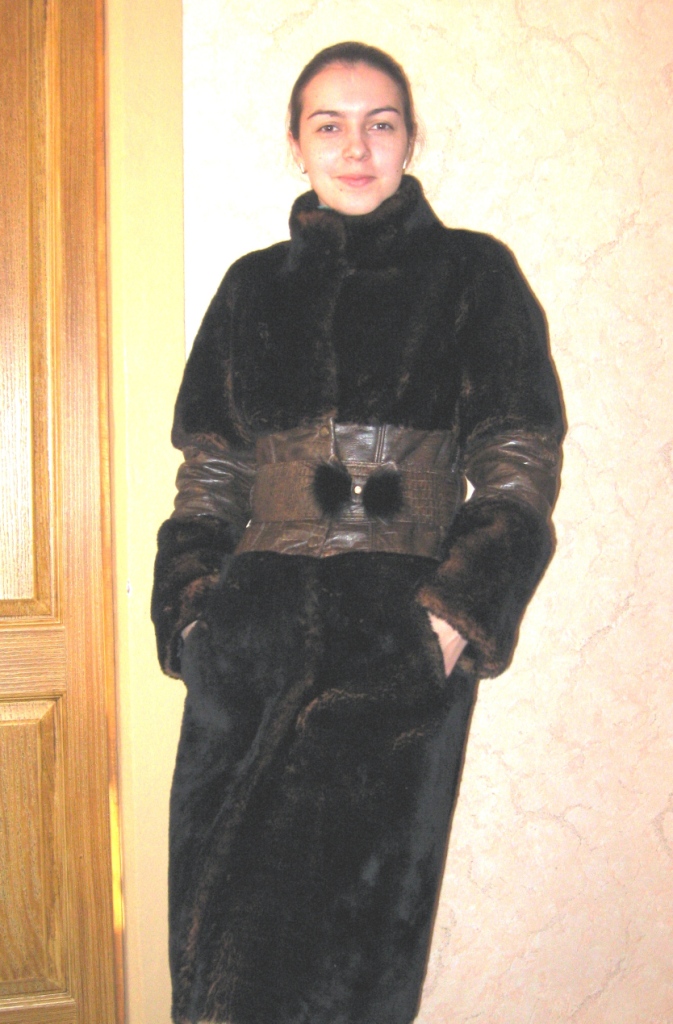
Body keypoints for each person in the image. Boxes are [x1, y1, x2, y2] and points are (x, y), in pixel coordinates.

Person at [152, 41, 563, 1024]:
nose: (355, 147)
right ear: (295, 145)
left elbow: (518, 456)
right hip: (248, 632)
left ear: (410, 138)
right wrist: (196, 615)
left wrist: (450, 620)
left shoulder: (473, 273)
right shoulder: (250, 287)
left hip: (397, 633)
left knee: (359, 943)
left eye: (380, 123)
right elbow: (211, 468)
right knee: (214, 934)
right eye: (328, 124)